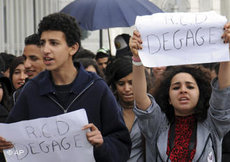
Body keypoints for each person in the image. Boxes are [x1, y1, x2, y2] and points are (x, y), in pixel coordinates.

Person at [0, 13, 131, 162]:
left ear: (73, 48)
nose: (46, 50)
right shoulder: (31, 91)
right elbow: (12, 143)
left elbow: (122, 147)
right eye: (43, 43)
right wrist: (5, 145)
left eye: (54, 43)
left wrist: (102, 144)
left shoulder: (96, 88)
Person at [128, 23, 230, 161]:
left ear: (200, 93)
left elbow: (223, 91)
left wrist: (227, 50)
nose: (183, 90)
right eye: (176, 87)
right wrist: (137, 59)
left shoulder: (212, 125)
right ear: (168, 97)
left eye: (190, 87)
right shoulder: (158, 126)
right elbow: (141, 100)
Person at [106, 56, 145, 162]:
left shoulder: (149, 112)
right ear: (114, 85)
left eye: (131, 83)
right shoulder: (108, 111)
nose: (127, 89)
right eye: (121, 84)